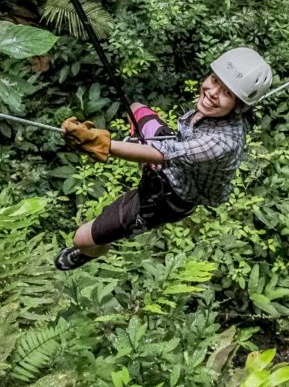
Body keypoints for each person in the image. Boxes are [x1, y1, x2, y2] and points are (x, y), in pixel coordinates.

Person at [54, 47, 273, 270]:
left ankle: (89, 253)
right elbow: (169, 147)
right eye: (214, 80)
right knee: (137, 109)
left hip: (167, 197)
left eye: (227, 93)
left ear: (240, 106)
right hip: (174, 147)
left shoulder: (222, 143)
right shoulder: (217, 109)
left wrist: (103, 145)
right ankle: (136, 148)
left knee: (81, 239)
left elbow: (161, 155)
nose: (212, 92)